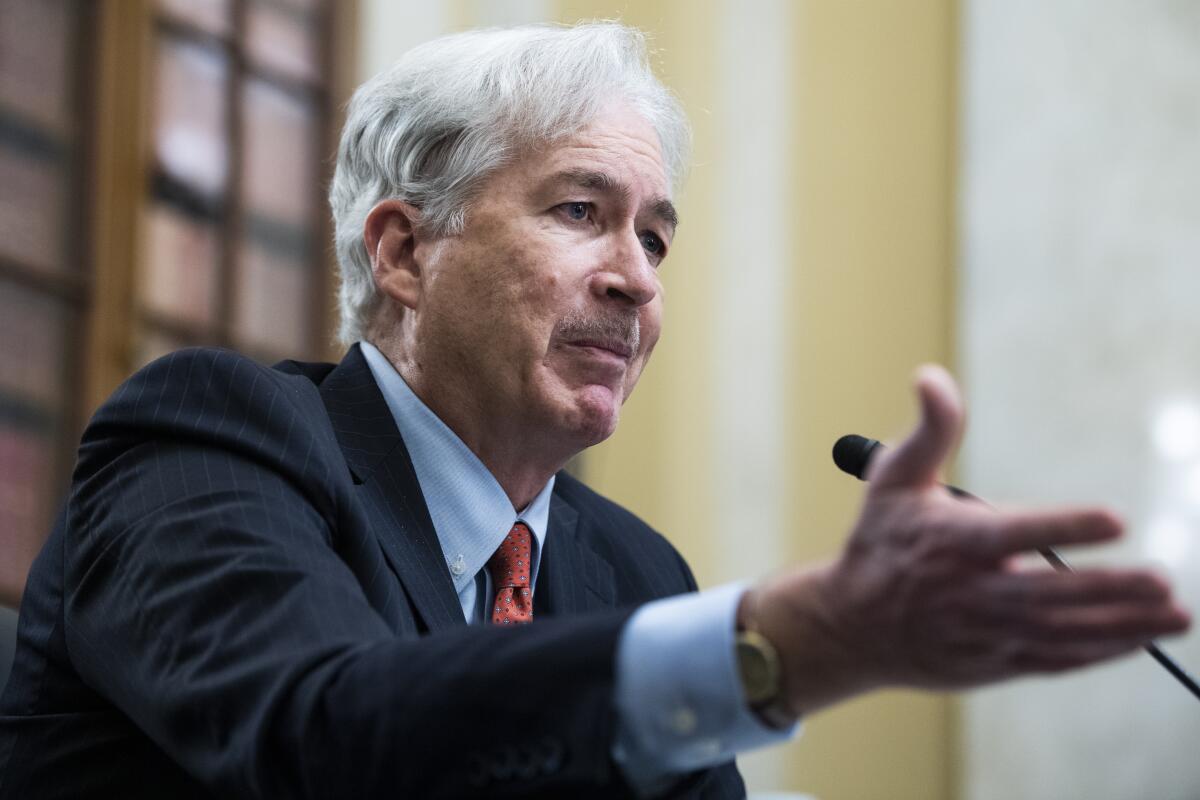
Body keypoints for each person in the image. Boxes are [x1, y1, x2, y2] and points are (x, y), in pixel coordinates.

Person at [0, 22, 1189, 800]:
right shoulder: (212, 443)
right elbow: (327, 739)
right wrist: (790, 643)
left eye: (655, 235)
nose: (637, 277)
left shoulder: (629, 569)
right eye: (580, 212)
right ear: (406, 252)